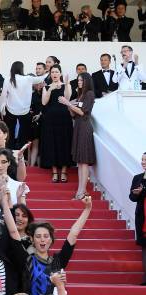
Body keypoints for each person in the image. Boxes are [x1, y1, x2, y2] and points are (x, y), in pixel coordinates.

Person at [60, 72, 96, 200]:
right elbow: (73, 114)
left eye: (81, 80)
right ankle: (81, 190)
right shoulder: (80, 95)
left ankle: (81, 191)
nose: (79, 82)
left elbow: (83, 112)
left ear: (86, 81)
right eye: (78, 80)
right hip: (79, 126)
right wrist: (69, 105)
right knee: (80, 161)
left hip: (85, 127)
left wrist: (68, 104)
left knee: (84, 161)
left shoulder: (89, 94)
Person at [0, 61, 47, 150]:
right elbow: (41, 78)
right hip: (25, 111)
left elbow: (3, 95)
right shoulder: (28, 78)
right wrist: (48, 70)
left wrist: (2, 109)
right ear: (22, 69)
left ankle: (10, 154)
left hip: (10, 111)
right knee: (23, 135)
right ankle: (20, 155)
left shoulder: (8, 79)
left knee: (10, 135)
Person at [40, 64, 73, 183]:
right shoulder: (46, 87)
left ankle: (64, 171)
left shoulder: (65, 85)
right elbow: (44, 102)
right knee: (52, 144)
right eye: (52, 72)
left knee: (64, 143)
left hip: (64, 119)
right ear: (50, 74)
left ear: (60, 73)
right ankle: (54, 172)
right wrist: (50, 90)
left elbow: (68, 98)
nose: (54, 74)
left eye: (56, 72)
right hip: (50, 120)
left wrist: (67, 84)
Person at [129, 152, 146, 285]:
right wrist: (137, 193)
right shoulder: (137, 178)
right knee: (144, 248)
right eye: (142, 160)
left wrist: (143, 191)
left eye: (145, 160)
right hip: (142, 217)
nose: (143, 162)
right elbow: (132, 197)